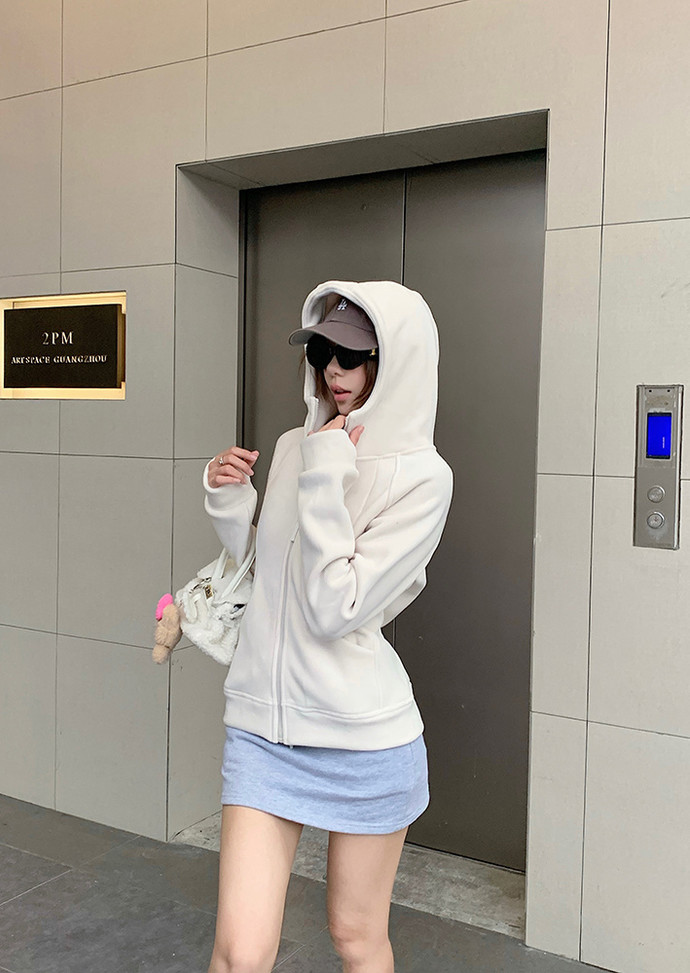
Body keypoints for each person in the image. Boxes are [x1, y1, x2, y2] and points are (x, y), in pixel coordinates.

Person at [203, 280, 453, 973]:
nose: (333, 371)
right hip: (263, 728)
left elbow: (334, 605)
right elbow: (270, 576)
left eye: (352, 356)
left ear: (394, 360)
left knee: (355, 937)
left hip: (364, 740)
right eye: (321, 353)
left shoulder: (424, 478)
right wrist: (230, 502)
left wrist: (327, 474)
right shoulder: (298, 445)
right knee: (239, 952)